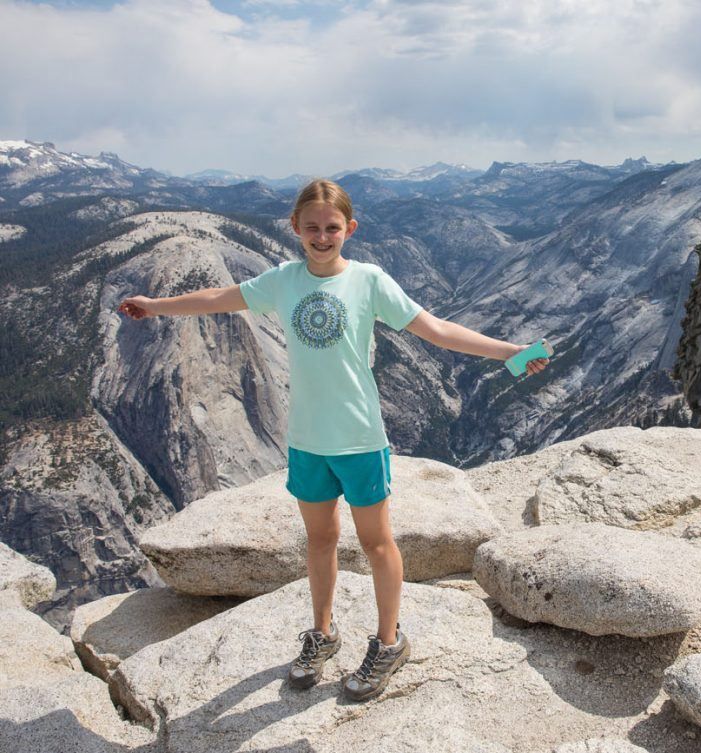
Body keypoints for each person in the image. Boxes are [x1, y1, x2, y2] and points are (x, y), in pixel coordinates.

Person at [116, 178, 549, 703]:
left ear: (350, 229)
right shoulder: (283, 281)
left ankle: (389, 642)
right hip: (307, 441)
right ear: (295, 228)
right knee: (319, 542)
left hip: (361, 439)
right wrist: (156, 306)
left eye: (333, 228)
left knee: (376, 543)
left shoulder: (368, 281)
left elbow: (435, 330)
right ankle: (322, 634)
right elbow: (217, 299)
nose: (323, 237)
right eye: (313, 228)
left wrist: (509, 352)